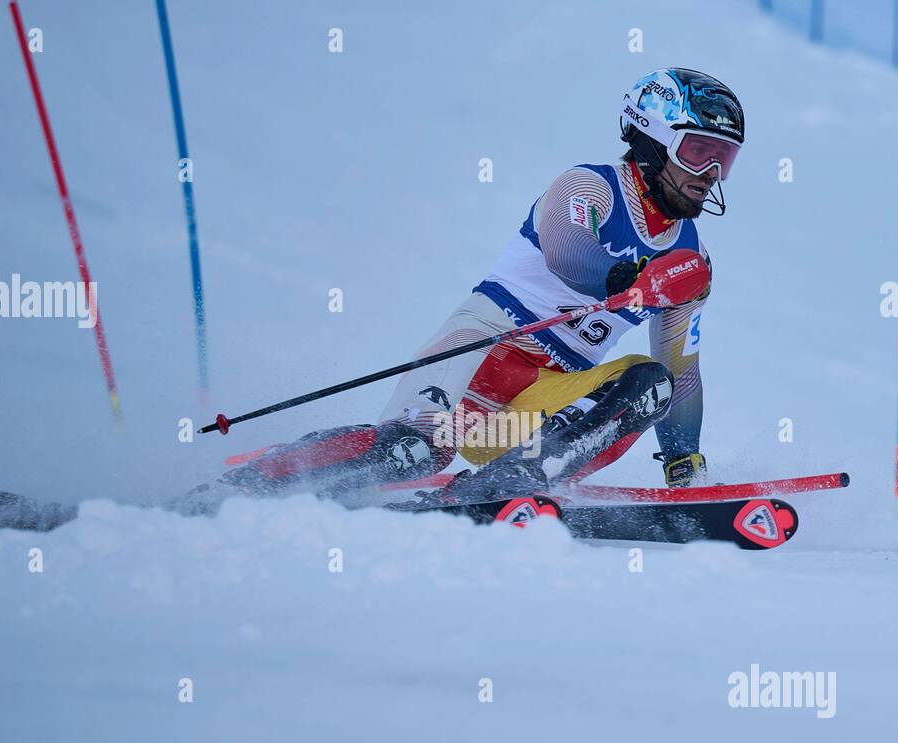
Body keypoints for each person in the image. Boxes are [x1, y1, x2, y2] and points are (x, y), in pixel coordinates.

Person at [221, 68, 744, 504]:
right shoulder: (589, 187)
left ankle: (512, 479)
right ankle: (245, 485)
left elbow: (682, 371)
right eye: (698, 151)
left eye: (726, 158)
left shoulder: (691, 260)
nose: (712, 173)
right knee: (412, 452)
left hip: (527, 409)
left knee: (651, 380)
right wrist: (639, 282)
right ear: (652, 139)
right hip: (478, 353)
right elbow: (567, 256)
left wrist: (684, 465)